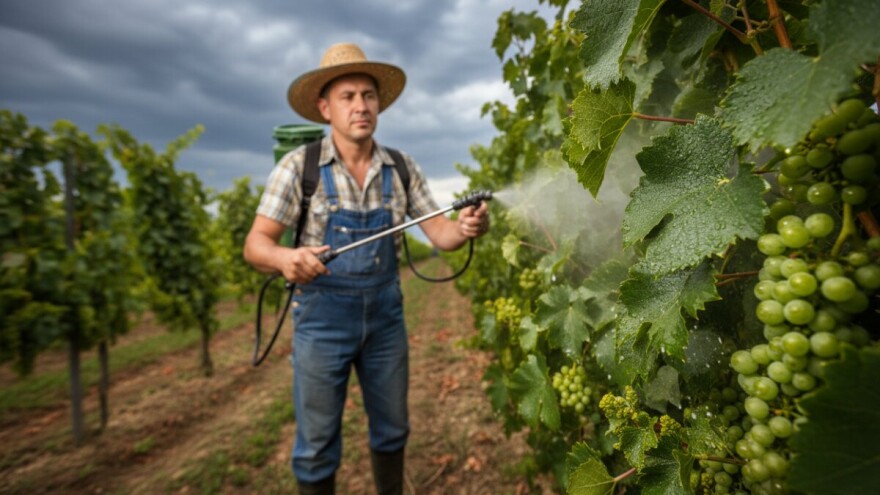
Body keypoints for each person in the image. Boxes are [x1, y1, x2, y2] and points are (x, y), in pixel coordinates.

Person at [243, 42, 490, 495]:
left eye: (369, 95)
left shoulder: (400, 167)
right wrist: (285, 259)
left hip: (384, 321)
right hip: (321, 323)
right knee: (316, 445)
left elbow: (441, 233)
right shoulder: (300, 168)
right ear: (325, 108)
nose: (361, 105)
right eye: (348, 96)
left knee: (392, 429)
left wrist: (466, 227)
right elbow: (256, 245)